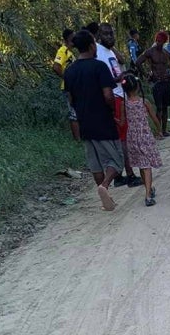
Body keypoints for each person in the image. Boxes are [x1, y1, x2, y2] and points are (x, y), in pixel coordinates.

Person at [63, 30, 123, 212]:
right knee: (116, 160)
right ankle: (104, 186)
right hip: (103, 119)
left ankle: (104, 195)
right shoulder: (99, 67)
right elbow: (108, 95)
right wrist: (113, 111)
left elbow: (71, 99)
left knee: (95, 161)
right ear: (91, 45)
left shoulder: (70, 71)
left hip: (84, 121)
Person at [96, 22, 142, 188]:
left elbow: (122, 60)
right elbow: (104, 78)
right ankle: (129, 174)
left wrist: (113, 47)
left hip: (119, 95)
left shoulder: (108, 51)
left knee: (121, 137)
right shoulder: (97, 51)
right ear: (98, 36)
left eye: (112, 34)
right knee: (123, 138)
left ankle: (120, 174)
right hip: (113, 97)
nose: (110, 37)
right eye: (106, 34)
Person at [120, 74, 163, 207]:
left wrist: (113, 120)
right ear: (138, 87)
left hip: (132, 137)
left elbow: (122, 122)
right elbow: (154, 118)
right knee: (146, 166)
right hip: (145, 136)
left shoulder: (123, 104)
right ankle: (148, 196)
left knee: (141, 164)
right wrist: (159, 130)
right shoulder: (144, 102)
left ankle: (149, 189)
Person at [136, 31, 170, 137]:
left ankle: (163, 131)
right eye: (158, 41)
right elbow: (138, 62)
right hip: (157, 82)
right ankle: (159, 131)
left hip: (166, 82)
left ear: (164, 42)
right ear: (156, 40)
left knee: (165, 108)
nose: (159, 43)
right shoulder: (150, 52)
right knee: (159, 107)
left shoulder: (166, 53)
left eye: (161, 41)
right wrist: (146, 75)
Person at [52, 28, 79, 141]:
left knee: (78, 111)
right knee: (73, 113)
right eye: (73, 37)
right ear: (68, 38)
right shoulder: (62, 51)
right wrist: (66, 78)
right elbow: (56, 66)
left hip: (75, 87)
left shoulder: (71, 53)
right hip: (68, 88)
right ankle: (77, 139)